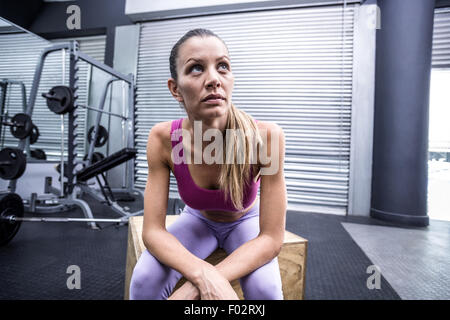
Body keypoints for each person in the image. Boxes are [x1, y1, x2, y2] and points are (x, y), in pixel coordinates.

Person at [129, 28, 287, 300]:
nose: (214, 79)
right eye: (196, 69)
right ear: (175, 89)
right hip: (197, 221)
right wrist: (203, 274)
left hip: (245, 222)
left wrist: (199, 284)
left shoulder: (267, 138)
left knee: (266, 290)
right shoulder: (163, 139)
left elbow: (272, 238)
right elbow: (153, 231)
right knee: (144, 280)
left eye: (222, 66)